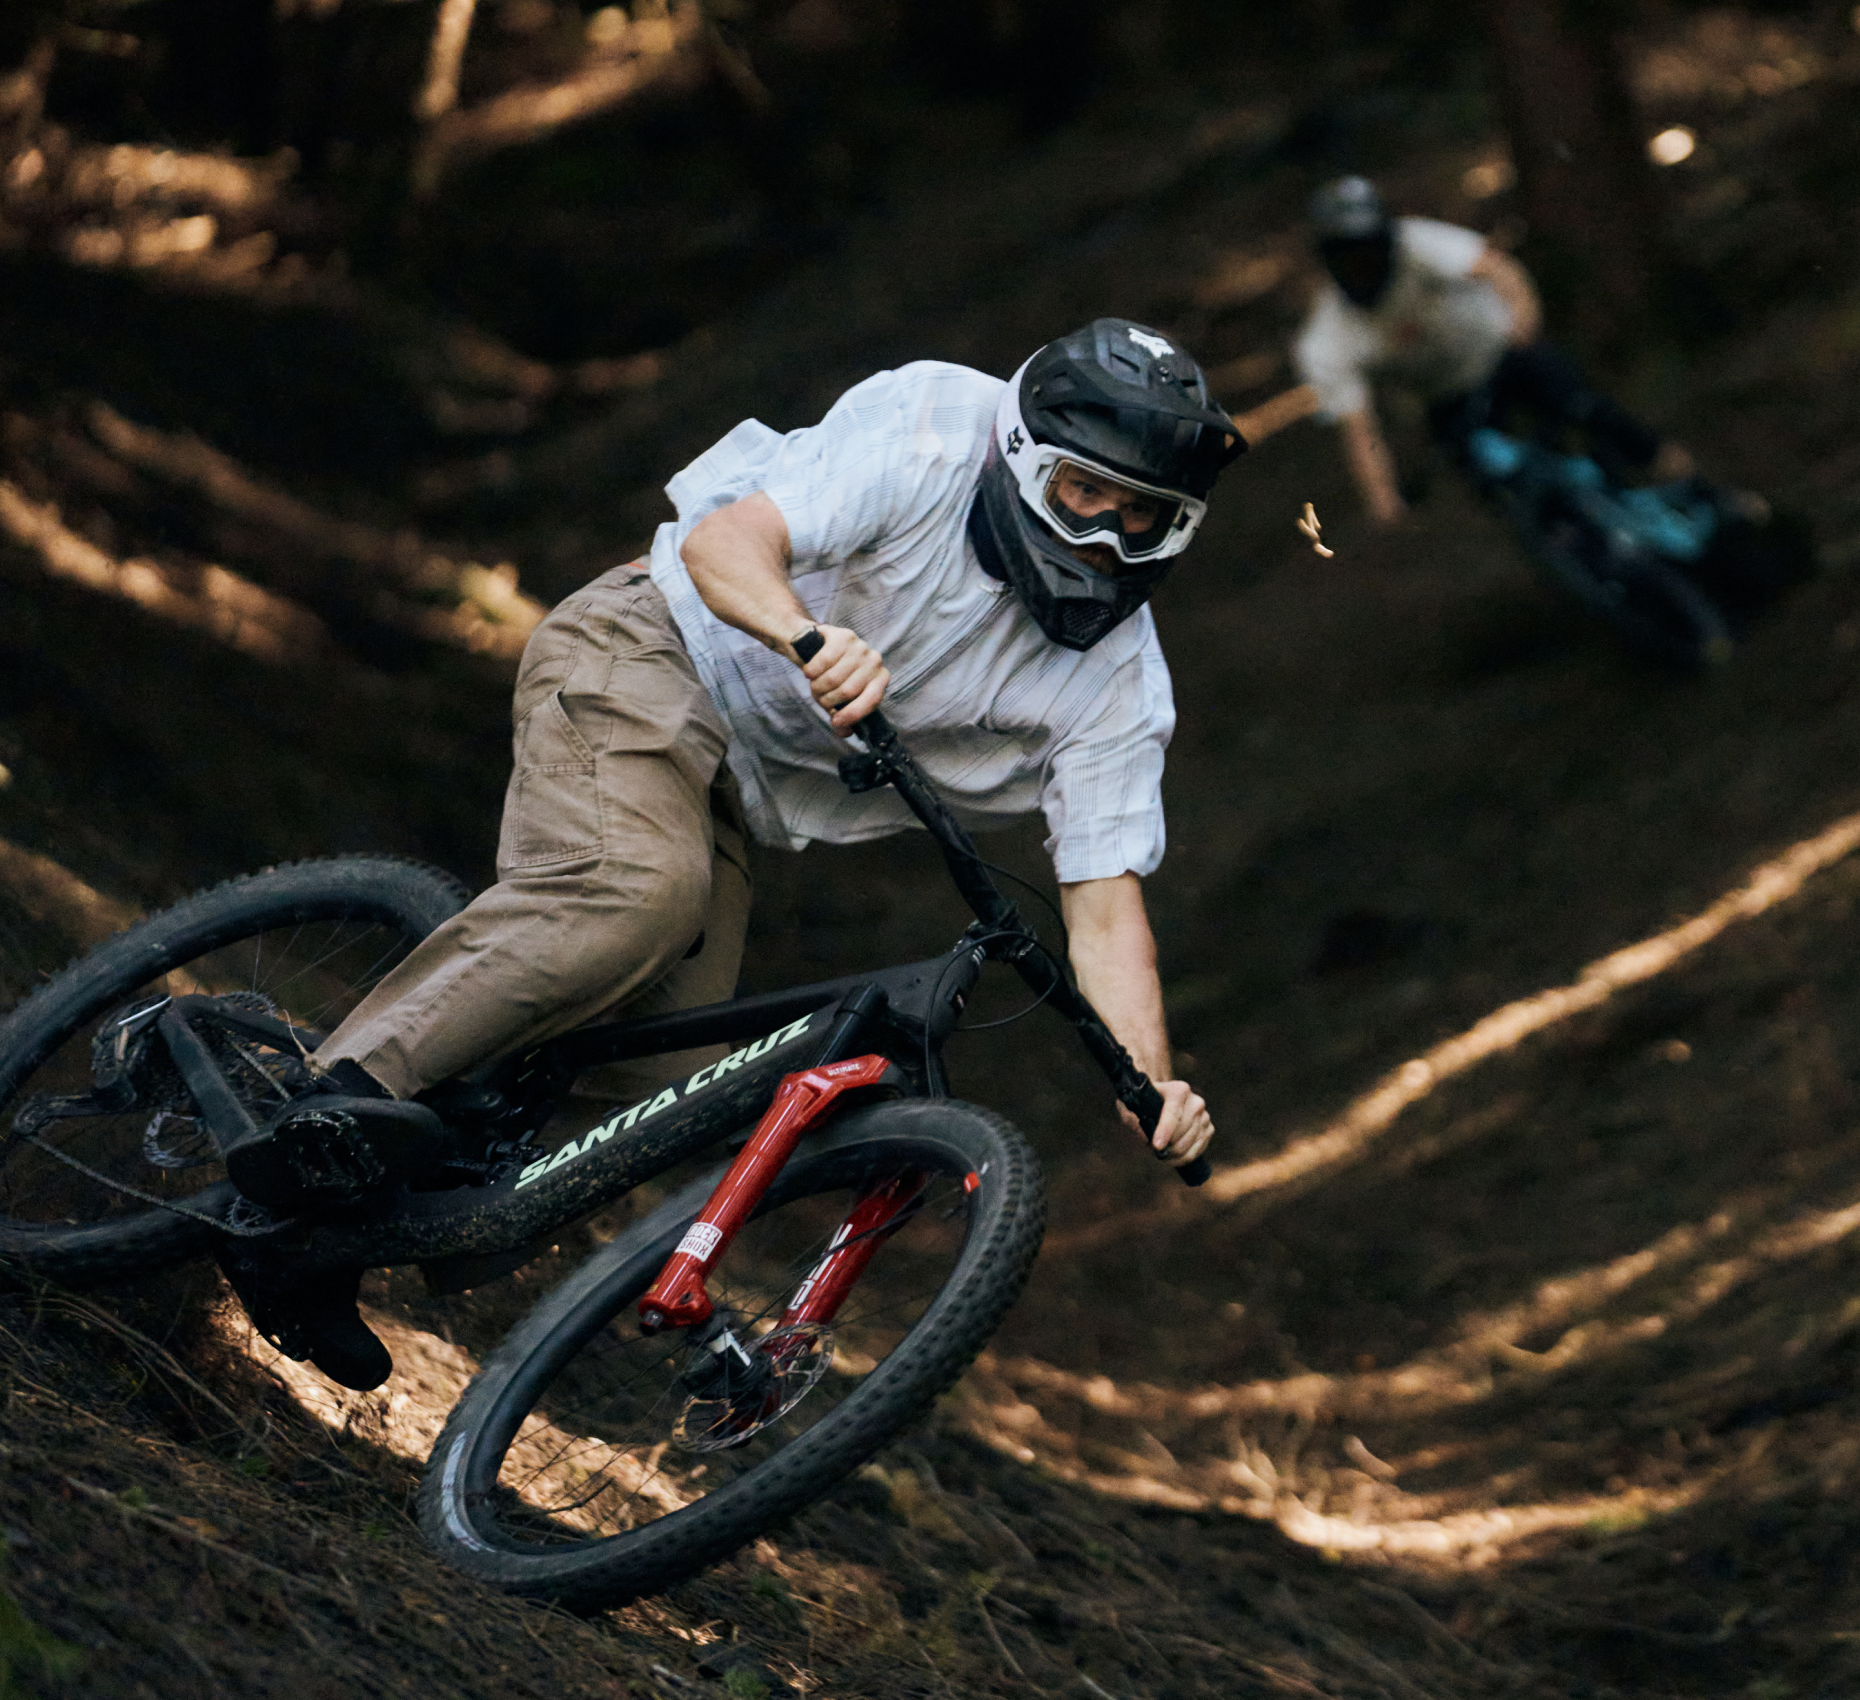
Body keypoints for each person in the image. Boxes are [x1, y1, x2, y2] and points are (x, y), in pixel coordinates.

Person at [227, 318, 1235, 1212]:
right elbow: (724, 543)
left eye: (1137, 511)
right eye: (1083, 490)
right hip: (652, 648)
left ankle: (341, 1235)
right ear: (1023, 455)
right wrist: (807, 636)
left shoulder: (1120, 687)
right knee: (630, 898)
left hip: (731, 786)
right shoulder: (931, 430)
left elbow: (1104, 907)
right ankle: (328, 1104)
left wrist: (1148, 1085)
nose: (1105, 530)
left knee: (666, 1095)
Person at [1293, 175, 1690, 524]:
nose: (1361, 263)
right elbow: (1359, 429)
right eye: (1346, 254)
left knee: (1589, 410)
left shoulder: (1419, 243)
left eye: (1367, 247)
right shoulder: (1326, 338)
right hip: (1446, 402)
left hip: (1502, 354)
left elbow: (1499, 270)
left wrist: (1523, 324)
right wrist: (1383, 498)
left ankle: (1689, 480)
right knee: (1498, 489)